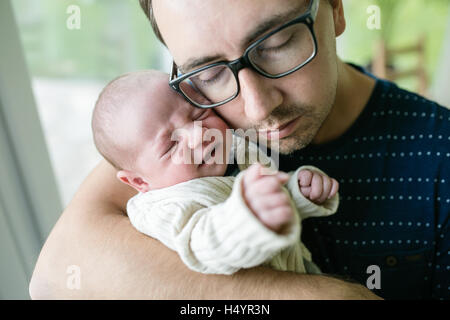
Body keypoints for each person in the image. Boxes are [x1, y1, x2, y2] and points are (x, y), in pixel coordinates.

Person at [29, 0, 449, 299]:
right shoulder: (187, 114)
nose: (256, 107)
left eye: (279, 42)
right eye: (207, 71)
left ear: (335, 9)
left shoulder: (438, 158)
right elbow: (54, 277)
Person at [91, 70, 339, 276]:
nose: (199, 134)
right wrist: (247, 217)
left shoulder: (238, 152)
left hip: (303, 274)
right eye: (170, 145)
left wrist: (296, 194)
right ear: (138, 181)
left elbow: (274, 200)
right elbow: (202, 245)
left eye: (200, 113)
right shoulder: (165, 208)